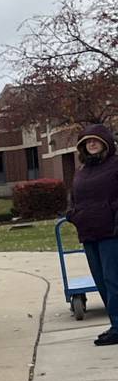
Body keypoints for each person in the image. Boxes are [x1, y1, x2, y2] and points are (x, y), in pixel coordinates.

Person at [67, 125, 118, 347]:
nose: (92, 144)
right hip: (89, 233)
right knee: (101, 281)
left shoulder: (115, 165)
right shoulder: (82, 171)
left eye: (96, 140)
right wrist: (73, 214)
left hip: (112, 232)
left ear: (106, 143)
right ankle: (115, 323)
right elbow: (74, 197)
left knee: (113, 280)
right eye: (88, 142)